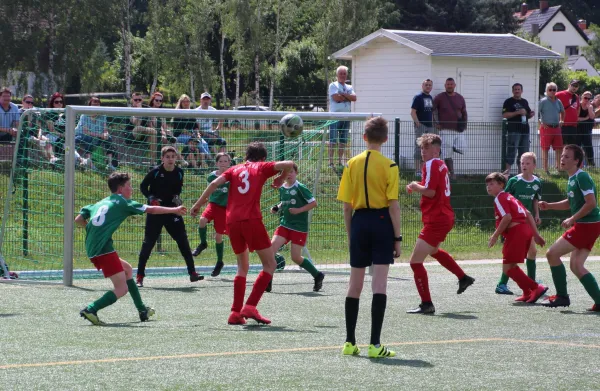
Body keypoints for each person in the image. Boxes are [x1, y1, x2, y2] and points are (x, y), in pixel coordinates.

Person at [191, 142, 294, 325]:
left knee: (242, 266)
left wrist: (198, 205)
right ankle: (251, 306)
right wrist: (281, 178)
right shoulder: (263, 166)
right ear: (263, 158)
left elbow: (214, 183)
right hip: (251, 220)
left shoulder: (234, 169)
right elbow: (289, 163)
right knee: (270, 264)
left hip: (232, 221)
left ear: (246, 156)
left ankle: (235, 313)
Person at [77, 172, 187, 325]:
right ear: (120, 189)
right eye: (129, 186)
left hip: (95, 246)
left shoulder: (101, 202)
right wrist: (174, 210)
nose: (132, 189)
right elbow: (151, 209)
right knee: (121, 289)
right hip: (103, 249)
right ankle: (91, 309)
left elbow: (79, 219)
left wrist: (96, 233)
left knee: (127, 269)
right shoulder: (123, 202)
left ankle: (142, 310)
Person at [337, 116, 401, 359]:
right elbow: (393, 205)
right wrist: (398, 238)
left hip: (360, 222)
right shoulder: (390, 166)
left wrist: (351, 234)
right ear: (385, 139)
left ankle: (349, 342)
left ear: (364, 138)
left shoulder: (350, 164)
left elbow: (346, 207)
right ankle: (375, 345)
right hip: (382, 223)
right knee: (379, 284)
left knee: (354, 285)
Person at [405, 133, 475, 315]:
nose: (423, 152)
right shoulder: (441, 163)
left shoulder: (431, 163)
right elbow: (430, 186)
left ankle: (427, 304)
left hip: (437, 218)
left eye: (426, 148)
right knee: (434, 251)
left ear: (437, 149)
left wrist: (414, 185)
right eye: (421, 148)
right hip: (443, 215)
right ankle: (463, 277)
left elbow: (429, 192)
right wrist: (417, 185)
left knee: (415, 262)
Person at [539, 144, 600, 311]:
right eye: (562, 156)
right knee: (576, 266)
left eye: (566, 156)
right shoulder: (572, 178)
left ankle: (562, 297)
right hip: (589, 225)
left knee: (552, 254)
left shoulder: (582, 177)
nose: (562, 158)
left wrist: (572, 219)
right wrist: (549, 206)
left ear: (576, 161)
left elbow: (591, 203)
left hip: (587, 225)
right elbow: (570, 203)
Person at [135, 146, 204, 287]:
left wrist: (176, 199)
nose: (171, 159)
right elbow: (143, 187)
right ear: (162, 158)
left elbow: (177, 191)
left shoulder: (179, 172)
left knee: (183, 241)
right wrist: (151, 198)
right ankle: (140, 276)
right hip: (156, 211)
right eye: (168, 156)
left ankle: (192, 273)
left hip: (172, 211)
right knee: (148, 243)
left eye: (173, 156)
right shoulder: (154, 172)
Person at [486, 172, 548, 303]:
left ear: (501, 185)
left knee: (507, 268)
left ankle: (535, 288)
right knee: (511, 265)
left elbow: (507, 217)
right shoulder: (510, 197)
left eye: (492, 184)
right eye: (487, 184)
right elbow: (529, 213)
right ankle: (526, 292)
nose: (488, 187)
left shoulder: (499, 198)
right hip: (525, 230)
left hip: (517, 232)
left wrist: (495, 236)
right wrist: (536, 234)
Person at [269, 163, 324, 292]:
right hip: (285, 224)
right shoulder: (282, 188)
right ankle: (267, 281)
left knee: (296, 257)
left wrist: (299, 210)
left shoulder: (300, 187)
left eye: (292, 171)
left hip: (299, 228)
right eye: (286, 172)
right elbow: (284, 202)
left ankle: (317, 275)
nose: (289, 174)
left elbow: (313, 203)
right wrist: (277, 207)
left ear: (296, 173)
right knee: (271, 250)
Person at [496, 153, 542, 295]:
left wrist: (537, 215)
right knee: (513, 256)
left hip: (527, 222)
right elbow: (505, 198)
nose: (524, 166)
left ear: (534, 166)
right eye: (522, 163)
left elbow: (535, 200)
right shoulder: (514, 181)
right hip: (515, 224)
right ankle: (502, 284)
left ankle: (531, 283)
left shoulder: (537, 182)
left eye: (528, 163)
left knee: (532, 251)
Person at [192, 152, 231, 277]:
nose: (223, 163)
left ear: (229, 163)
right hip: (212, 205)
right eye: (221, 161)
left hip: (224, 209)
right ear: (216, 163)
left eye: (226, 161)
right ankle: (203, 243)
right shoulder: (211, 177)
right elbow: (208, 193)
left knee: (218, 237)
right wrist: (199, 205)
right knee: (202, 220)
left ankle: (219, 262)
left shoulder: (232, 177)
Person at [433, 78, 468, 180]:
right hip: (445, 129)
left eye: (451, 84)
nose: (449, 86)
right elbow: (432, 110)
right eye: (448, 84)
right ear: (445, 85)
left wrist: (464, 125)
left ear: (454, 85)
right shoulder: (439, 97)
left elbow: (464, 112)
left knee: (462, 148)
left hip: (458, 129)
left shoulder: (460, 98)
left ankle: (444, 150)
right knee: (447, 152)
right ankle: (451, 174)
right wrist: (435, 123)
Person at [74, 96, 118, 171]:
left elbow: (105, 129)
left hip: (97, 136)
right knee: (90, 139)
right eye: (94, 105)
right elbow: (86, 132)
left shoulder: (103, 115)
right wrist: (101, 135)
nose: (95, 107)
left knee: (109, 138)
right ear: (90, 105)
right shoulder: (84, 115)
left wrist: (106, 134)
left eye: (98, 105)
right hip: (81, 136)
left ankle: (109, 164)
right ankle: (90, 164)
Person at [502, 83, 535, 174]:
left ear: (522, 91)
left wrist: (531, 114)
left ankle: (521, 175)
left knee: (523, 153)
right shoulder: (508, 101)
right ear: (512, 91)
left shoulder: (525, 102)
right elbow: (504, 115)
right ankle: (506, 174)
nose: (517, 91)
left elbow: (526, 115)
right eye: (515, 89)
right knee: (511, 152)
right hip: (513, 130)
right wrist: (517, 112)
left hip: (525, 131)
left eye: (518, 89)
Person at [328, 65, 356, 168]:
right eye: (341, 73)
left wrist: (343, 95)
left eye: (344, 73)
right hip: (334, 117)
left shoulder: (350, 87)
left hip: (346, 117)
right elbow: (336, 98)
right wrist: (347, 97)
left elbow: (354, 98)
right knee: (333, 140)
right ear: (337, 74)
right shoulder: (333, 85)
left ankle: (339, 161)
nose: (343, 75)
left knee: (343, 140)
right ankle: (330, 162)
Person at [538, 82, 565, 174]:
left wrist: (562, 120)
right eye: (550, 89)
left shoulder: (558, 101)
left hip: (557, 127)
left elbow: (563, 111)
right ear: (546, 91)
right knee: (545, 148)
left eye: (554, 89)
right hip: (546, 128)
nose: (552, 91)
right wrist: (541, 122)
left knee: (559, 148)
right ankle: (545, 169)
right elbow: (537, 112)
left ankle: (559, 168)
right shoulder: (543, 101)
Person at [410, 79, 435, 177]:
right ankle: (417, 170)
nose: (428, 86)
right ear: (422, 86)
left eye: (430, 85)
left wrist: (433, 123)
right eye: (426, 85)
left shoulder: (430, 97)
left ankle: (424, 169)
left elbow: (431, 113)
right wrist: (418, 123)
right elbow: (413, 112)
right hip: (421, 126)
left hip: (430, 126)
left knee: (428, 147)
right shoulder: (418, 97)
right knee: (418, 147)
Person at [125, 92, 158, 163]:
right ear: (132, 100)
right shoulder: (129, 110)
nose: (137, 101)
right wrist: (139, 110)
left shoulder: (147, 108)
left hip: (145, 134)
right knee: (140, 128)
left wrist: (153, 116)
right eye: (135, 100)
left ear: (142, 100)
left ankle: (152, 163)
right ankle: (152, 131)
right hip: (131, 134)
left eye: (139, 100)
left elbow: (154, 123)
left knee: (153, 134)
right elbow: (137, 123)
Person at [556, 80, 580, 147]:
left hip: (573, 126)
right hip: (563, 125)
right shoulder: (559, 94)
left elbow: (577, 109)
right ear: (569, 85)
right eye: (573, 85)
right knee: (562, 146)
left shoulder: (576, 97)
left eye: (576, 86)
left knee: (572, 147)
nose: (574, 87)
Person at [577, 91, 596, 167]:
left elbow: (591, 117)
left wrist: (589, 108)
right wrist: (585, 118)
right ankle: (578, 164)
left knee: (588, 147)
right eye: (585, 98)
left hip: (587, 129)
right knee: (577, 147)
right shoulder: (579, 106)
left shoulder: (590, 106)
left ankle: (591, 163)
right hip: (578, 129)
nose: (587, 100)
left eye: (589, 98)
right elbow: (576, 118)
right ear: (582, 97)